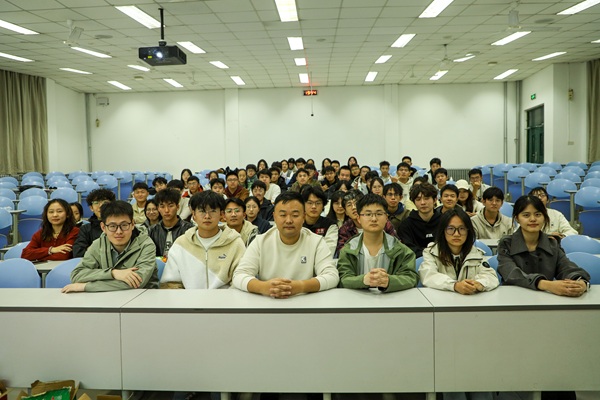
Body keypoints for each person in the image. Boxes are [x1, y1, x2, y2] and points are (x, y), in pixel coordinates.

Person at [232, 191, 339, 298]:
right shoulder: (261, 241)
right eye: (283, 215)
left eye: (295, 215)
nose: (288, 220)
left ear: (303, 217)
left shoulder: (316, 242)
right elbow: (239, 275)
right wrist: (264, 287)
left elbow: (332, 276)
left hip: (306, 301)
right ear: (274, 217)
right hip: (269, 301)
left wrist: (300, 286)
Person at [498, 195, 590, 296]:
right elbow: (511, 273)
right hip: (513, 297)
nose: (533, 219)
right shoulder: (507, 243)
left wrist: (580, 282)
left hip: (545, 299)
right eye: (526, 215)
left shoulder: (552, 243)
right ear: (517, 218)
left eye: (538, 214)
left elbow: (566, 267)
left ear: (544, 217)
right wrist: (546, 285)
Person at [62, 200, 159, 293]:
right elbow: (77, 275)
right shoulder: (98, 244)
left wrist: (86, 286)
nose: (119, 231)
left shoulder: (146, 244)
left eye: (124, 225)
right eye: (112, 226)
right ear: (103, 227)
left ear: (133, 224)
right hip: (106, 298)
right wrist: (113, 273)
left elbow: (138, 282)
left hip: (142, 297)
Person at [160, 191, 246, 289]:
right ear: (193, 215)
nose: (207, 216)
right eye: (202, 211)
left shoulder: (235, 243)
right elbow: (171, 283)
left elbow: (241, 278)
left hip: (226, 298)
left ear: (222, 214)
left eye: (213, 211)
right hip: (189, 298)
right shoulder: (181, 244)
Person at [337, 193, 418, 292]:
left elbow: (411, 277)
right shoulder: (349, 249)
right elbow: (343, 279)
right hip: (356, 299)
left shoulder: (401, 250)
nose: (374, 219)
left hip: (391, 299)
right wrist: (363, 280)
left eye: (379, 214)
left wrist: (389, 281)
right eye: (368, 214)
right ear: (359, 218)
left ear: (386, 217)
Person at [420, 208, 499, 294]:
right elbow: (428, 275)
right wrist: (455, 286)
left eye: (462, 229)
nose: (456, 234)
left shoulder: (476, 253)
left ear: (468, 231)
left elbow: (491, 276)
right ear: (443, 231)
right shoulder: (431, 252)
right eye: (451, 229)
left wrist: (479, 284)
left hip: (470, 300)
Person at [336, 190, 397, 257]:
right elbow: (342, 253)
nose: (353, 207)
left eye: (356, 203)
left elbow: (396, 245)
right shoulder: (345, 229)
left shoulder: (382, 223)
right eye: (349, 205)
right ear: (346, 212)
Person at [397, 183, 442, 258]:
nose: (423, 202)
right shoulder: (406, 225)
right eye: (418, 199)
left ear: (435, 200)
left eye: (426, 198)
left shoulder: (444, 221)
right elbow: (407, 249)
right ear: (414, 202)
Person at [149, 188, 194, 260]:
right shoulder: (152, 231)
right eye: (162, 206)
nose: (166, 210)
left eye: (170, 206)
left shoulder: (189, 229)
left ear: (177, 207)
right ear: (158, 208)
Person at [73, 188, 116, 257]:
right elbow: (78, 252)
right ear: (91, 208)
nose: (101, 206)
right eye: (96, 203)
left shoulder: (120, 226)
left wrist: (91, 249)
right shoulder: (85, 229)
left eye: (105, 202)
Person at [301, 185, 338, 256]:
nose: (314, 207)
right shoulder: (297, 223)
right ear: (303, 205)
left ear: (323, 205)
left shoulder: (330, 225)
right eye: (310, 203)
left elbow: (328, 251)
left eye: (318, 203)